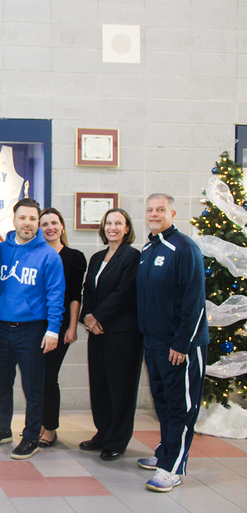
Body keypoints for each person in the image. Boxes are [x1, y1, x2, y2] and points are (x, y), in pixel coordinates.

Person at [136, 194, 208, 492]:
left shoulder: (184, 248)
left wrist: (181, 343)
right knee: (163, 402)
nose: (154, 214)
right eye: (150, 210)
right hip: (153, 344)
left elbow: (195, 303)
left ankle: (173, 468)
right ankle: (165, 452)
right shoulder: (148, 248)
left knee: (181, 407)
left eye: (160, 210)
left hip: (181, 347)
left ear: (173, 213)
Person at [0, 198, 65, 460]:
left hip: (33, 330)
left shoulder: (49, 256)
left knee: (33, 386)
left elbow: (56, 295)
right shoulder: (0, 251)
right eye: (23, 218)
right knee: (2, 383)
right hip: (2, 327)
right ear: (14, 220)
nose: (27, 223)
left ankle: (31, 436)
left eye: (32, 219)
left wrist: (53, 330)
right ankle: (3, 429)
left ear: (37, 222)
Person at [79, 208, 142, 461]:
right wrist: (87, 316)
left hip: (122, 333)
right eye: (108, 223)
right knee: (100, 385)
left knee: (121, 387)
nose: (113, 227)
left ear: (127, 229)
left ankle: (117, 439)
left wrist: (98, 316)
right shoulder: (97, 257)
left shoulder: (132, 256)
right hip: (97, 332)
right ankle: (103, 433)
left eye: (119, 223)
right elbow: (88, 291)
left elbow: (126, 292)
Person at [37, 208, 87, 448]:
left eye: (54, 223)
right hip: (35, 325)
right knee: (35, 377)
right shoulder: (34, 254)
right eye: (44, 224)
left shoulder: (74, 257)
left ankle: (50, 429)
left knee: (48, 376)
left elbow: (75, 295)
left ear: (62, 227)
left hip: (59, 325)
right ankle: (39, 423)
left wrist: (72, 327)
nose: (50, 227)